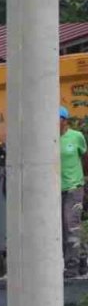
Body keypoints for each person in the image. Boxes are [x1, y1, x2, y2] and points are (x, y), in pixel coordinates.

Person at [59, 106, 88, 279]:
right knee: (63, 227)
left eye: (57, 119)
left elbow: (85, 157)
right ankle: (83, 260)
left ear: (64, 120)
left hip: (73, 188)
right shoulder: (49, 139)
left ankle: (72, 266)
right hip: (55, 189)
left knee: (71, 225)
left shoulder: (76, 137)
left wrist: (83, 180)